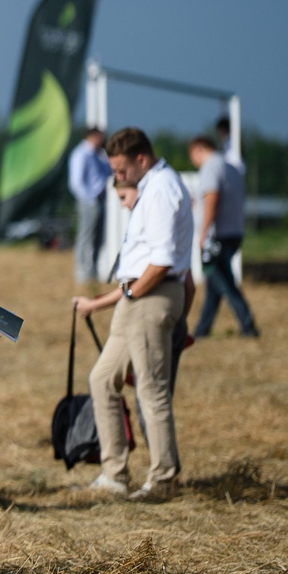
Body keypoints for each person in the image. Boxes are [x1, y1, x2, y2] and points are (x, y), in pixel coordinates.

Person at [73, 128, 193, 498]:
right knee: (102, 379)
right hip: (140, 296)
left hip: (150, 295)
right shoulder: (153, 186)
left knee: (151, 389)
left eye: (121, 170)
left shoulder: (161, 189)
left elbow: (162, 261)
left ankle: (163, 479)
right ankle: (115, 474)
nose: (118, 177)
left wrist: (129, 292)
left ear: (141, 159)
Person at [189, 135, 259, 339]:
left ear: (198, 149)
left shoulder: (211, 167)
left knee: (224, 282)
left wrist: (204, 233)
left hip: (216, 237)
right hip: (233, 232)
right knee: (214, 283)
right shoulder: (230, 167)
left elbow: (212, 198)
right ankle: (202, 329)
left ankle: (248, 326)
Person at [68, 127, 112, 284]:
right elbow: (76, 183)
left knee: (98, 238)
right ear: (92, 136)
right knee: (86, 236)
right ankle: (82, 270)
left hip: (100, 200)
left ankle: (93, 269)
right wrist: (90, 199)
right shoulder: (81, 154)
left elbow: (108, 172)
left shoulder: (98, 155)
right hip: (89, 202)